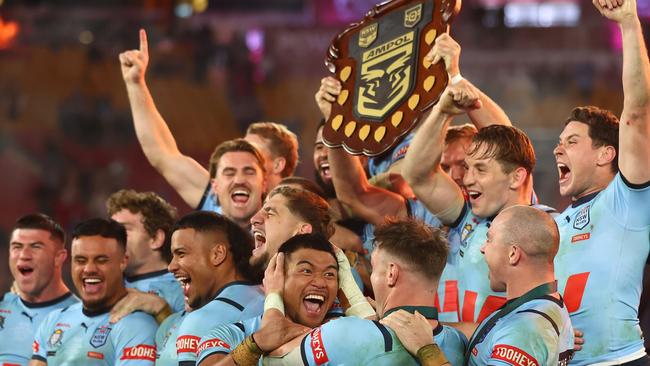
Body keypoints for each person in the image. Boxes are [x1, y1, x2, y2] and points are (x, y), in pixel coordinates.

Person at [197, 220, 468, 365]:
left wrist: (271, 311)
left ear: (392, 273)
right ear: (276, 276)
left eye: (330, 274)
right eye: (305, 270)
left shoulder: (344, 333)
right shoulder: (458, 343)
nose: (320, 281)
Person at [552, 1, 650, 364]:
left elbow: (638, 112)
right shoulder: (553, 223)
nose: (558, 150)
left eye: (572, 142)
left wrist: (627, 21)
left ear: (606, 154)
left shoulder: (628, 200)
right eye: (559, 142)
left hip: (621, 360)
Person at [119, 30, 292, 218]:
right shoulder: (218, 200)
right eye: (230, 171)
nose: (243, 155)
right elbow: (163, 154)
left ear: (277, 166)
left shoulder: (297, 219)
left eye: (254, 153)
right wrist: (136, 84)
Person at [385, 206, 573, 366]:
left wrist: (426, 349)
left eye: (489, 239)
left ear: (512, 254)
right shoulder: (539, 306)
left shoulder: (526, 330)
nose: (483, 248)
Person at [30, 218, 158, 365]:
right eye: (81, 260)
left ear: (123, 261)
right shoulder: (53, 320)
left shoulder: (137, 325)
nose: (89, 269)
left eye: (101, 260)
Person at [170, 211, 264, 365]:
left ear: (218, 254)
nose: (171, 266)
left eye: (181, 254)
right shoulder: (273, 300)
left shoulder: (201, 320)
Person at [0, 214, 78, 365]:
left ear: (59, 257)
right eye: (17, 247)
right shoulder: (3, 304)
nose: (24, 255)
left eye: (36, 247)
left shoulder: (82, 319)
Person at [106, 189, 184, 313]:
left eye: (124, 230)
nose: (113, 238)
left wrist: (161, 309)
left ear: (155, 238)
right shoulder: (105, 287)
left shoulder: (184, 290)